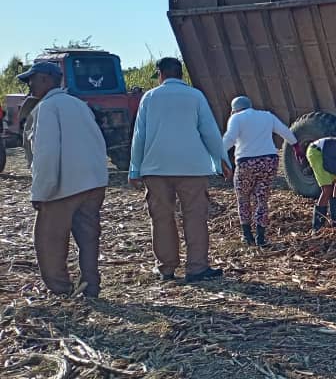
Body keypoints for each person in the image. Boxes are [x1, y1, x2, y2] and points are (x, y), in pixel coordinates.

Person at [129, 57, 229, 283]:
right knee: (195, 217)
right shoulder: (195, 96)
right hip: (192, 168)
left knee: (162, 218)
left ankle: (166, 268)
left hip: (156, 168)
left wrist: (135, 169)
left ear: (160, 74)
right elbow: (209, 132)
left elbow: (139, 135)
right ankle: (197, 267)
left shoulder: (150, 97)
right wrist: (221, 162)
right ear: (181, 74)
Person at [20, 62, 108, 298]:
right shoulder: (79, 105)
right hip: (93, 182)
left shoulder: (47, 108)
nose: (30, 84)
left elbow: (46, 154)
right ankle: (90, 285)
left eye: (33, 79)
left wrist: (40, 193)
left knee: (49, 241)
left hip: (63, 186)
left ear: (47, 79)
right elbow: (99, 143)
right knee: (88, 238)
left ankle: (61, 289)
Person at [222, 96, 300, 247]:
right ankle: (261, 237)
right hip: (269, 161)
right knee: (262, 199)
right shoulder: (267, 116)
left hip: (247, 163)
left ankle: (247, 236)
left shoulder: (236, 118)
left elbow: (230, 139)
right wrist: (296, 146)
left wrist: (217, 153)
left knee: (243, 198)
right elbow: (285, 131)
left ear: (234, 110)